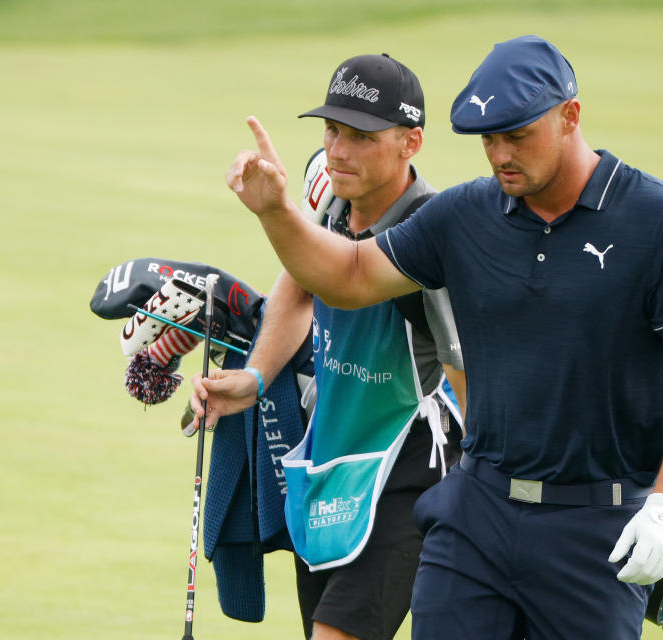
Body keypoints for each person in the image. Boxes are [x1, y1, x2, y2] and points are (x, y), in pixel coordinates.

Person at [216, 34, 663, 639]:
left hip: (598, 525)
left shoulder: (662, 221)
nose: (501, 155)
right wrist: (276, 213)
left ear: (570, 117)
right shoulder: (465, 216)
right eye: (489, 139)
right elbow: (349, 276)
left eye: (518, 135)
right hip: (476, 513)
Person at [191, 53, 465, 640]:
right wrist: (256, 379)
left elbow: (468, 371)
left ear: (409, 142)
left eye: (361, 137)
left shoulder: (432, 232)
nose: (338, 151)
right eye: (332, 131)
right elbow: (296, 291)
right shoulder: (337, 206)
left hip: (408, 470)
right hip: (335, 464)